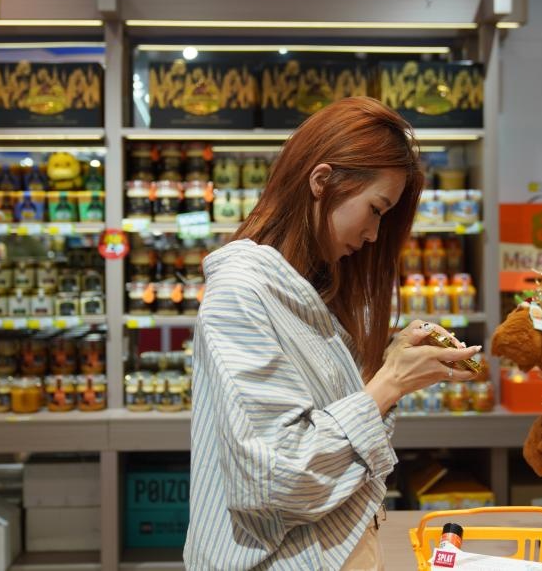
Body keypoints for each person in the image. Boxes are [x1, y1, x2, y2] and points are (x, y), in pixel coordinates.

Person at [184, 96, 482, 570]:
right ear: (321, 181)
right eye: (376, 209)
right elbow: (280, 479)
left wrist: (390, 361)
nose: (374, 235)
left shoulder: (310, 289)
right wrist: (390, 383)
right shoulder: (242, 294)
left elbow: (324, 422)